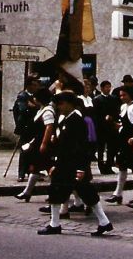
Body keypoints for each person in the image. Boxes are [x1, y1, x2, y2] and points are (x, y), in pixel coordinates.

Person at [38, 92, 112, 236]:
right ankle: (103, 222)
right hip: (65, 163)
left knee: (81, 191)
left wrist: (81, 167)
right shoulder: (67, 120)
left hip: (72, 165)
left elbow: (82, 147)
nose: (59, 107)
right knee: (64, 190)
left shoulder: (76, 120)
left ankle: (103, 222)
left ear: (69, 104)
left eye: (61, 104)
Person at [106, 85, 133, 206]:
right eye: (121, 95)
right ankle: (118, 194)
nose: (122, 97)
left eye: (124, 95)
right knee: (123, 167)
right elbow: (124, 124)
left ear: (131, 95)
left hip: (130, 141)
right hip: (123, 141)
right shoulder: (124, 107)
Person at [15, 88, 55, 203]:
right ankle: (27, 192)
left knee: (50, 168)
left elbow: (49, 127)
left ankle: (56, 193)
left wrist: (44, 143)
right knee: (36, 167)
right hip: (37, 142)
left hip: (44, 143)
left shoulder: (47, 111)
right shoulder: (40, 110)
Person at [13, 76, 40, 181]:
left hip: (34, 128)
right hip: (25, 127)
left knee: (34, 150)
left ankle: (32, 172)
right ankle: (21, 173)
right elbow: (22, 110)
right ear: (28, 85)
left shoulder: (34, 96)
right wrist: (32, 107)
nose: (36, 87)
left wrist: (35, 106)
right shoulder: (22, 96)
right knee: (24, 150)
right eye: (34, 85)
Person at [93, 80, 120, 174]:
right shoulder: (97, 99)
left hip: (111, 127)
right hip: (101, 128)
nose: (108, 89)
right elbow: (95, 115)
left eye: (109, 87)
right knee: (101, 148)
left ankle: (109, 165)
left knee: (111, 148)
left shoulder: (114, 98)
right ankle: (101, 166)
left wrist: (113, 118)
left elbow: (116, 111)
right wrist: (103, 118)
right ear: (102, 88)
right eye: (106, 87)